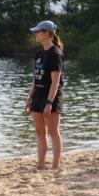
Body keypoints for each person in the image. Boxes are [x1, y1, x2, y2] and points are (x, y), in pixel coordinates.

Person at [26, 21, 64, 170]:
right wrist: (29, 98)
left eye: (38, 31)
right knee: (40, 132)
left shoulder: (55, 54)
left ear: (47, 33)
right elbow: (35, 78)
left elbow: (55, 82)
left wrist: (49, 102)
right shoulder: (39, 53)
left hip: (51, 97)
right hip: (38, 96)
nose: (35, 34)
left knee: (53, 132)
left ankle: (55, 165)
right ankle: (41, 164)